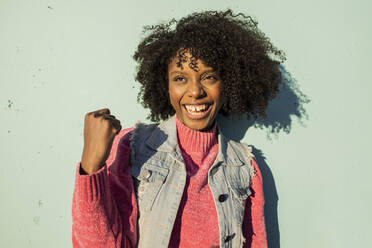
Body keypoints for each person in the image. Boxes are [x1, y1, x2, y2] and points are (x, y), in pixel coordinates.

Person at [72, 9, 285, 248]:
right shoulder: (133, 146)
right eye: (180, 78)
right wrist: (91, 167)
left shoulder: (244, 167)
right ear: (166, 86)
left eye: (209, 77)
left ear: (228, 84)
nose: (195, 91)